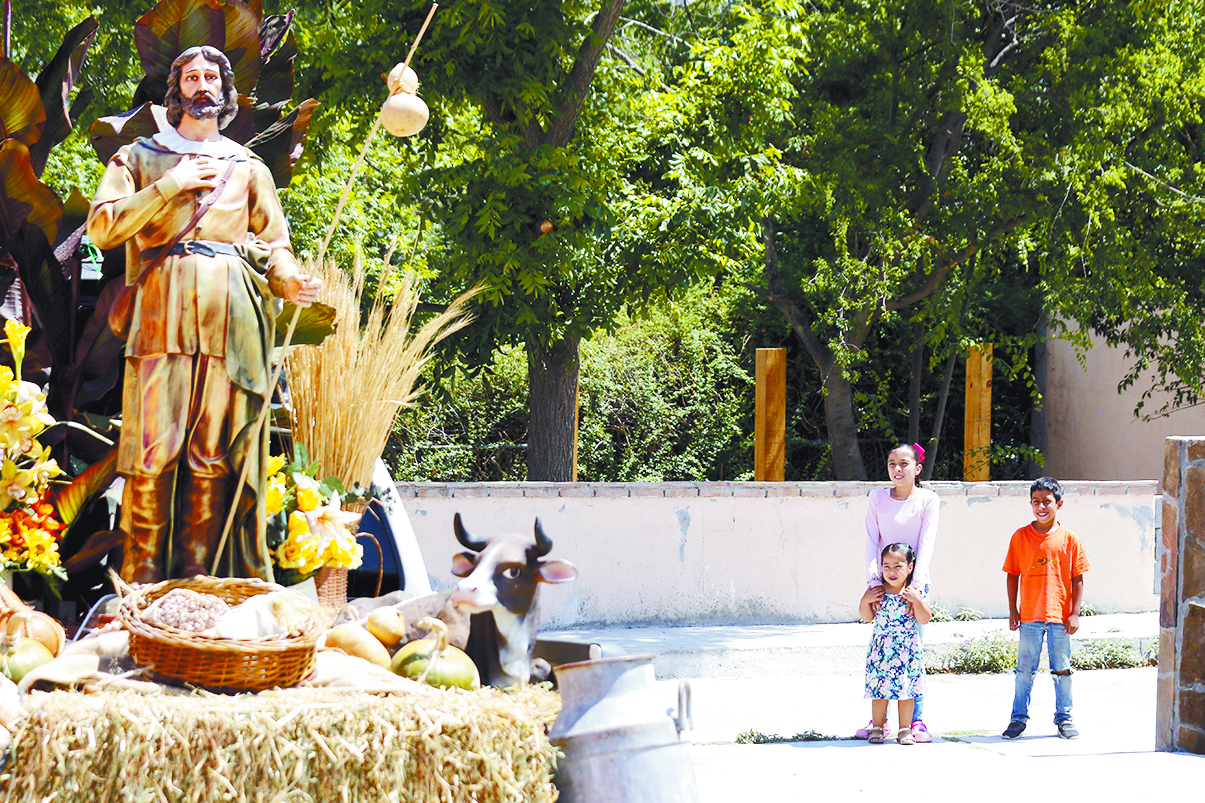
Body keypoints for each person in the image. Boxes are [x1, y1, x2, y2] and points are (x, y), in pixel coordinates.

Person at [87, 46, 321, 583]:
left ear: (224, 90)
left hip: (230, 322)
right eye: (191, 77)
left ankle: (202, 586)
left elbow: (273, 243)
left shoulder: (247, 167)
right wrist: (171, 185)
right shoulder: (139, 158)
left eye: (211, 76)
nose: (201, 85)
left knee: (212, 455)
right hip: (160, 318)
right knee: (152, 451)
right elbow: (102, 227)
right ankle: (139, 584)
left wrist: (287, 277)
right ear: (176, 93)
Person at [856, 442, 939, 742]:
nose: (897, 469)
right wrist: (873, 581)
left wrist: (915, 586)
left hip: (914, 586)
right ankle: (879, 721)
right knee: (883, 654)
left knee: (911, 654)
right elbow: (870, 538)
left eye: (904, 463)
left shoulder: (929, 500)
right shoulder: (877, 499)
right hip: (883, 584)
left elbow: (926, 542)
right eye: (892, 463)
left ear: (917, 468)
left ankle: (916, 721)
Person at [1001, 476, 1090, 740]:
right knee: (1024, 671)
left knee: (1062, 670)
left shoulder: (1069, 538)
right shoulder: (1020, 537)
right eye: (1036, 502)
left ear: (1058, 504)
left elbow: (1078, 577)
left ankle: (1065, 718)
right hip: (1029, 616)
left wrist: (1075, 612)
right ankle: (1018, 719)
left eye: (1047, 501)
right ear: (1031, 504)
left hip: (1060, 617)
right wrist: (1013, 610)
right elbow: (1011, 574)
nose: (1041, 506)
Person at [859, 543, 931, 745]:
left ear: (910, 568)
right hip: (882, 649)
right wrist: (865, 601)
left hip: (906, 650)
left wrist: (917, 600)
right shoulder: (878, 591)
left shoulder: (913, 592)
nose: (891, 571)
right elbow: (866, 617)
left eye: (898, 566)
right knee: (879, 690)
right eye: (886, 566)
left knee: (905, 691)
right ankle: (877, 727)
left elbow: (924, 619)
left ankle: (905, 729)